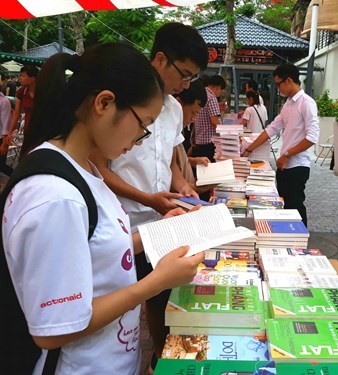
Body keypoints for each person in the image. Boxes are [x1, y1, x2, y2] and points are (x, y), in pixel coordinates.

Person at [1, 42, 204, 375]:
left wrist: (162, 231)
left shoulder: (85, 169)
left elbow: (95, 246)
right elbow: (55, 329)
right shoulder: (55, 196)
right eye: (143, 125)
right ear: (104, 103)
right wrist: (155, 281)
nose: (140, 139)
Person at [90, 22, 209, 368]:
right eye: (184, 75)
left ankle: (160, 356)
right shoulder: (123, 98)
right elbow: (100, 167)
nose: (185, 85)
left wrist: (181, 188)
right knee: (123, 299)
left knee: (162, 297)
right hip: (123, 219)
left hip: (161, 217)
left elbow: (169, 161)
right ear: (160, 59)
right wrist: (147, 198)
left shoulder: (172, 108)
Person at [241, 63, 319, 227]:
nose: (277, 88)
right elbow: (271, 129)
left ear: (289, 80)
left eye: (278, 84)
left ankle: (300, 242)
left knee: (295, 207)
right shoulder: (289, 104)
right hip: (284, 166)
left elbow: (312, 137)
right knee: (285, 207)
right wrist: (248, 149)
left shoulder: (306, 103)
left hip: (297, 166)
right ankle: (290, 241)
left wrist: (287, 154)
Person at [173, 79, 215, 194]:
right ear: (178, 104)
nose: (193, 119)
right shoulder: (168, 130)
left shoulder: (177, 129)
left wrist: (193, 161)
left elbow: (176, 162)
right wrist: (197, 188)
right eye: (193, 113)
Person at [0, 65, 38, 157]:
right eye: (20, 75)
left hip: (41, 132)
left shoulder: (44, 92)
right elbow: (16, 113)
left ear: (32, 78)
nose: (19, 78)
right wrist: (10, 133)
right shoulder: (21, 92)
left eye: (23, 76)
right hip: (27, 131)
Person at [192, 74, 226, 164]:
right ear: (218, 88)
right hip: (209, 143)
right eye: (221, 91)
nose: (220, 94)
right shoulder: (212, 98)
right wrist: (227, 135)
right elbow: (214, 122)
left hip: (199, 140)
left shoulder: (202, 94)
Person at [0, 77, 13, 176]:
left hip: (1, 137)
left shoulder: (4, 101)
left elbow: (6, 123)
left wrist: (4, 143)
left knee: (1, 165)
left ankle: (17, 178)